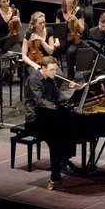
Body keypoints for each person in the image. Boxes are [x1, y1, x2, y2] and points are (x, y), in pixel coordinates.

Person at [23, 55, 73, 190]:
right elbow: (39, 101)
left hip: (49, 115)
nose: (55, 73)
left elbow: (58, 94)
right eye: (52, 70)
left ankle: (65, 160)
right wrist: (55, 107)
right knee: (57, 138)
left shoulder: (50, 79)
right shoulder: (33, 80)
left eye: (56, 70)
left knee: (70, 126)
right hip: (35, 118)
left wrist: (70, 102)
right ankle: (57, 171)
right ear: (43, 68)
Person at [54, 0, 85, 87]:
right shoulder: (60, 12)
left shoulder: (79, 11)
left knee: (70, 52)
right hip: (64, 39)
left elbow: (82, 30)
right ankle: (55, 74)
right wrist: (56, 41)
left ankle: (71, 78)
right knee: (55, 49)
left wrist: (76, 19)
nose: (69, 0)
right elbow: (57, 30)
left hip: (75, 40)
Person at [21, 12, 58, 77]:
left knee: (59, 75)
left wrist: (41, 40)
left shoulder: (49, 30)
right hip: (33, 62)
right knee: (38, 76)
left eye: (44, 22)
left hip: (47, 61)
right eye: (40, 23)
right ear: (34, 24)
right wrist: (34, 65)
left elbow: (51, 51)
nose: (43, 25)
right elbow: (24, 56)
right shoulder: (28, 34)